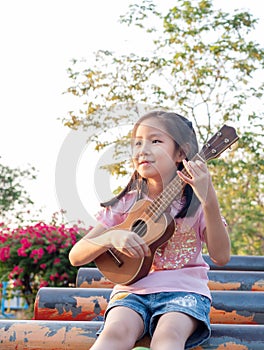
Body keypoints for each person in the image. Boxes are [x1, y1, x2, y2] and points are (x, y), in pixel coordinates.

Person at [69, 111, 231, 350]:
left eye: (155, 141)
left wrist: (209, 199)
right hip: (131, 292)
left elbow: (221, 255)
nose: (142, 149)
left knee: (168, 336)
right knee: (114, 333)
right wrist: (111, 236)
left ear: (181, 153)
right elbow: (76, 256)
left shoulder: (196, 205)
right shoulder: (125, 204)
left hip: (182, 293)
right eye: (137, 142)